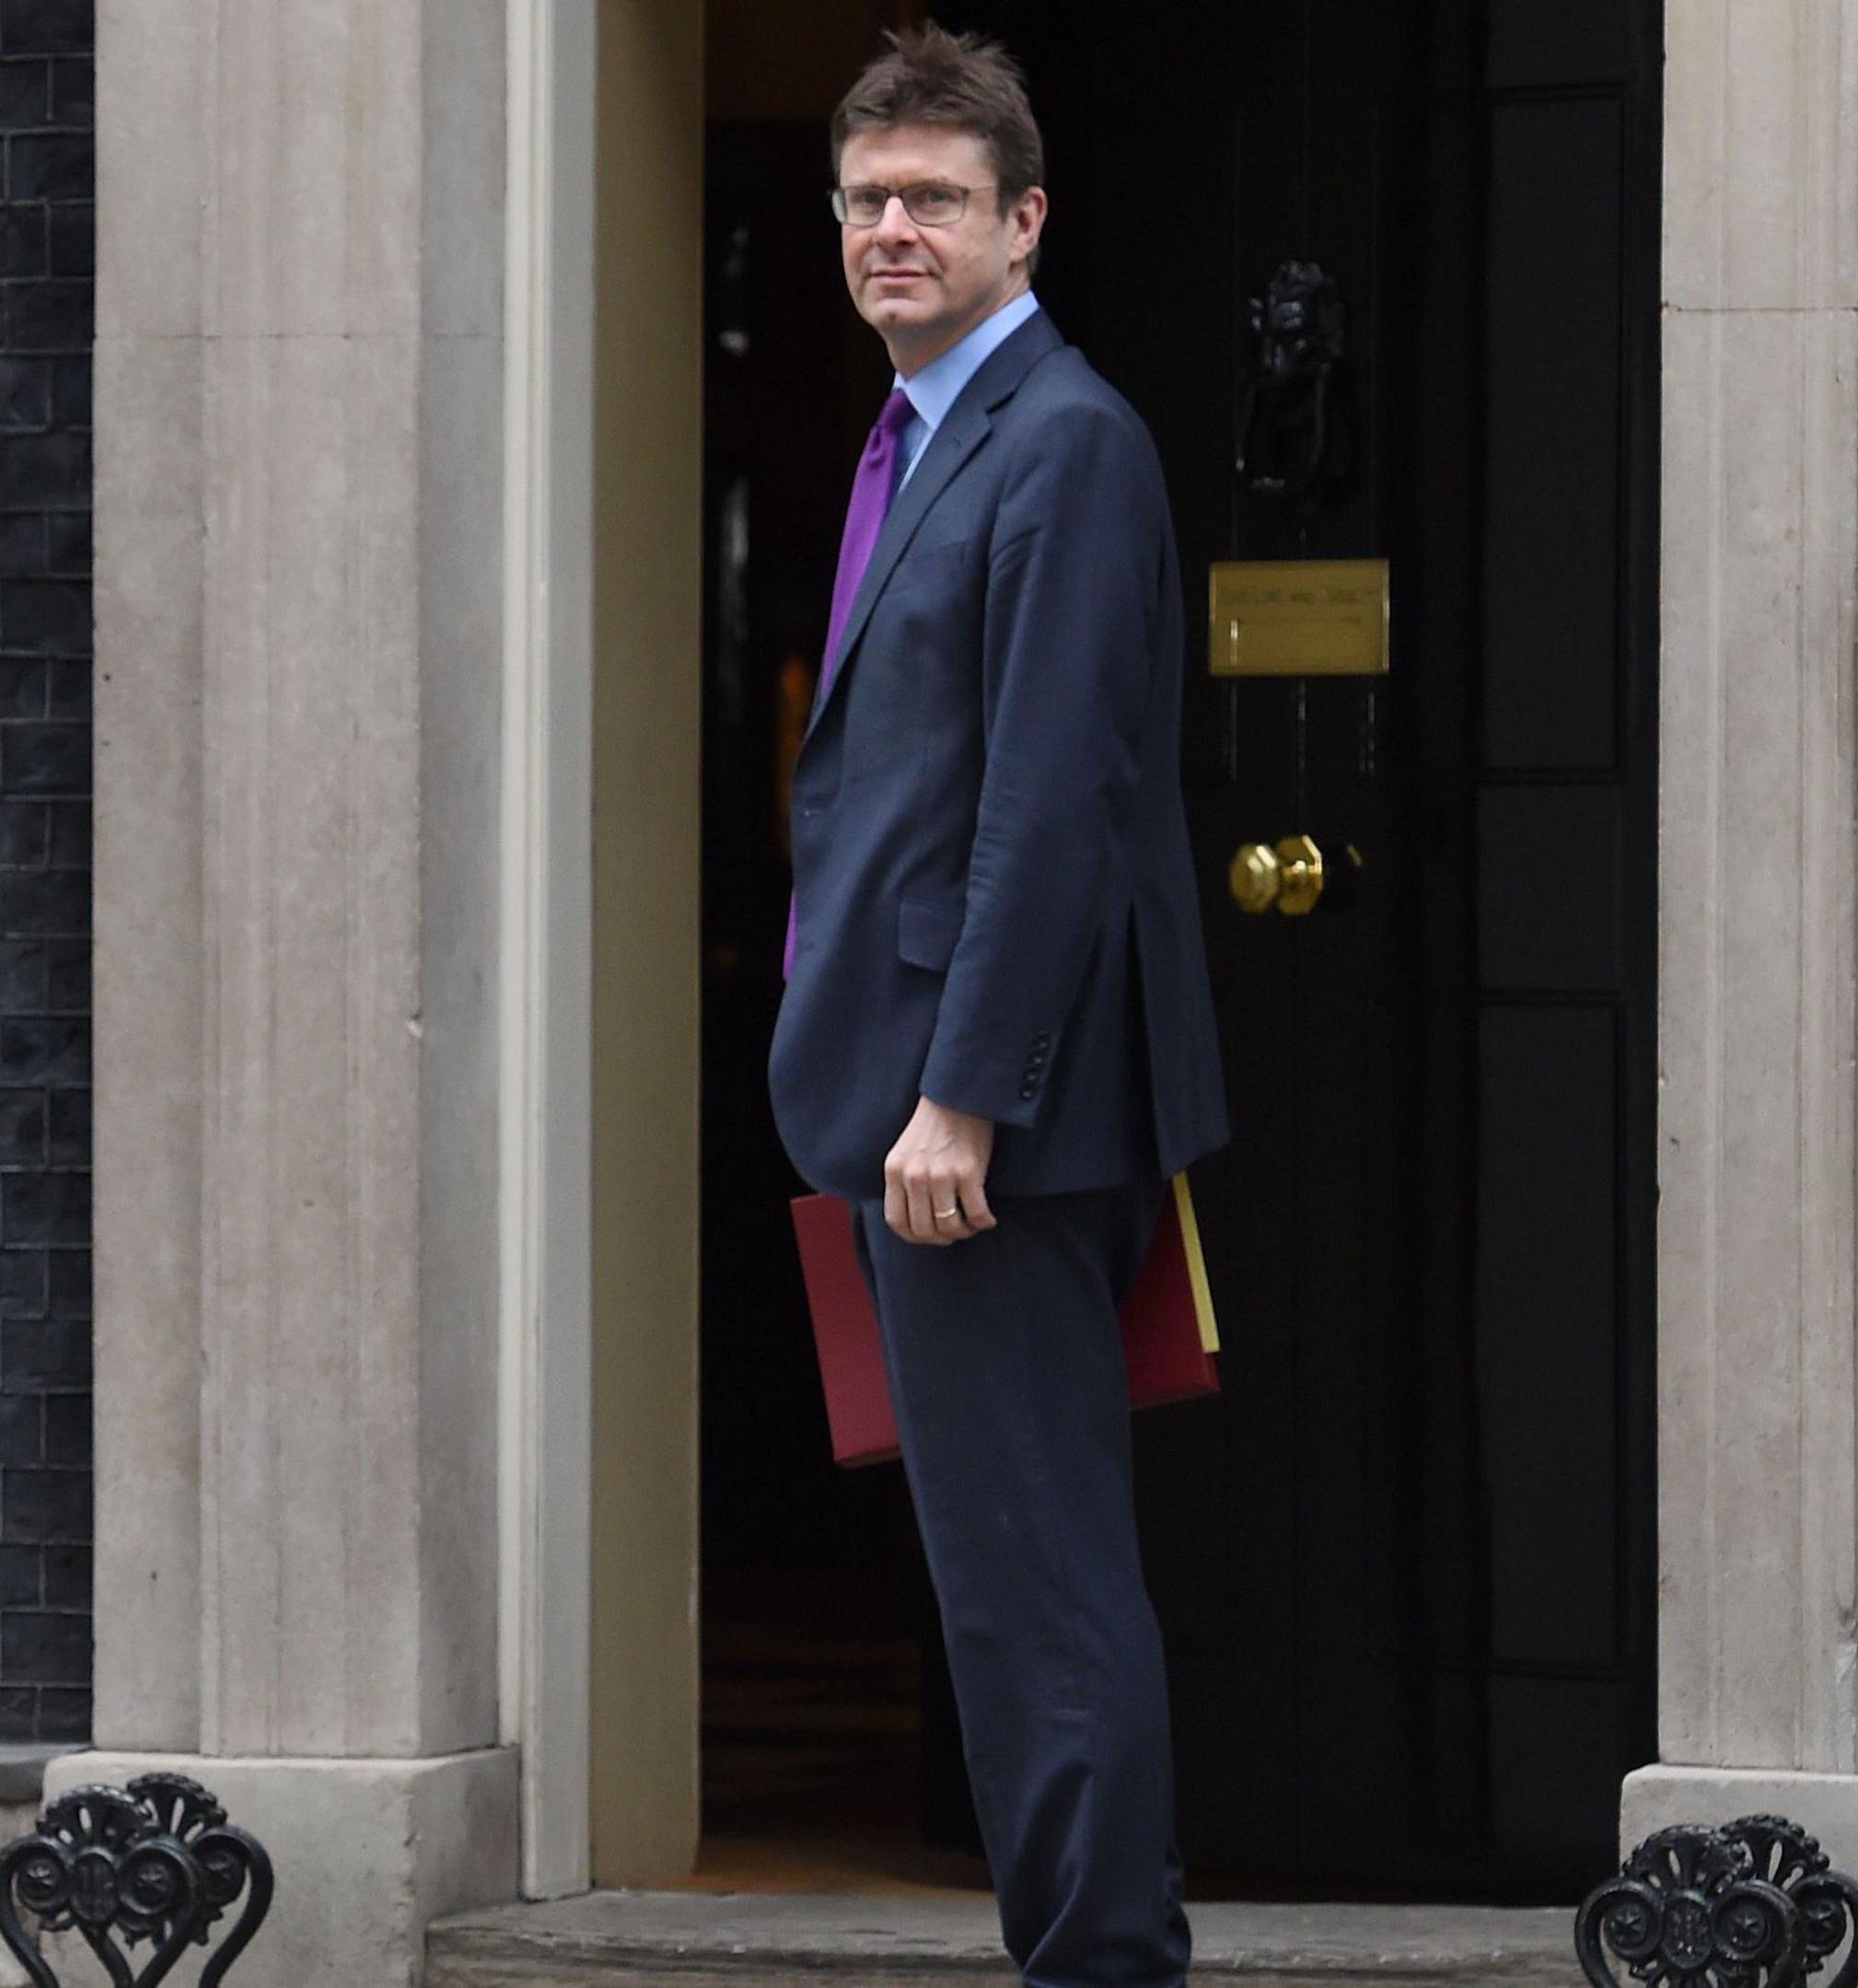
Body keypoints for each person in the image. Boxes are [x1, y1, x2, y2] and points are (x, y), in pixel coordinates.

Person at [765, 25, 1229, 1988]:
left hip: (992, 1133)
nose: (893, 228)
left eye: (934, 199)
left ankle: (1102, 1965)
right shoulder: (919, 436)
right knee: (1000, 1582)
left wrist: (960, 1098)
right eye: (868, 198)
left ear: (1021, 222)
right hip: (909, 1106)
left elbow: (1056, 803)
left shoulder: (1065, 439)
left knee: (1033, 1589)